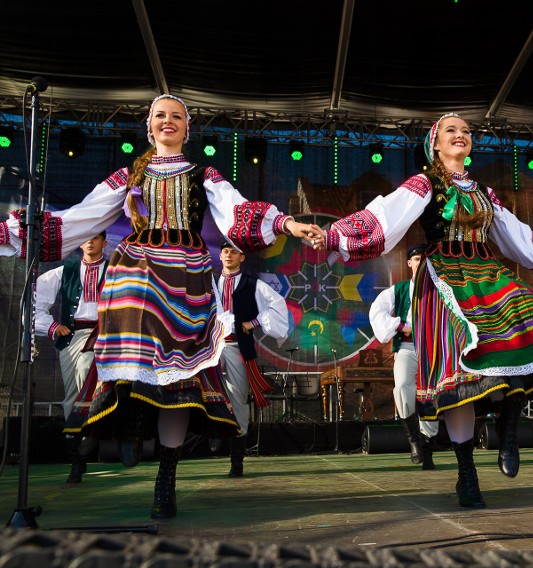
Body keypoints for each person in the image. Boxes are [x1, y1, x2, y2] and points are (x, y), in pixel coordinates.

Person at [0, 94, 322, 519]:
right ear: (148, 127)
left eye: (176, 117)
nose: (167, 122)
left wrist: (287, 223)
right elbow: (84, 214)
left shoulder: (202, 173)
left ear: (187, 129)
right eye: (159, 116)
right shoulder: (129, 175)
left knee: (179, 383)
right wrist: (13, 232)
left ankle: (165, 479)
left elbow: (236, 210)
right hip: (138, 267)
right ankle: (131, 411)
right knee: (135, 304)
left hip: (185, 276)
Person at [314, 113, 533, 508]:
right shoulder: (426, 184)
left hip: (487, 273)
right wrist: (335, 234)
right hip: (444, 277)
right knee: (459, 370)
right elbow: (386, 217)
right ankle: (467, 474)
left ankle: (509, 423)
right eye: (451, 131)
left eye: (467, 132)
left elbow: (520, 238)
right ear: (435, 144)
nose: (461, 136)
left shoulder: (486, 194)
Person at [33, 230, 108, 483]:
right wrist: (53, 327)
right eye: (86, 237)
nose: (90, 241)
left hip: (104, 336)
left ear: (103, 243)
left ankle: (90, 436)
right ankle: (76, 455)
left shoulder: (115, 271)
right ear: (80, 243)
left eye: (96, 237)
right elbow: (34, 305)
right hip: (71, 336)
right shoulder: (63, 272)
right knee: (71, 395)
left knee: (88, 373)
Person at [216, 240, 291, 477]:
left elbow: (277, 304)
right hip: (208, 350)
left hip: (237, 347)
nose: (229, 255)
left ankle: (236, 459)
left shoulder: (252, 284)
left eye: (234, 252)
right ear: (220, 257)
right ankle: (212, 436)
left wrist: (255, 323)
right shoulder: (207, 283)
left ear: (242, 258)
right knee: (203, 394)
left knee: (238, 399)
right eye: (225, 251)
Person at [368, 242, 440, 470]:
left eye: (424, 259)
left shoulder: (441, 289)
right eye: (417, 259)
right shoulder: (397, 290)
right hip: (408, 346)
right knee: (401, 387)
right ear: (409, 263)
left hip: (434, 349)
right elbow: (376, 311)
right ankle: (414, 440)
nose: (420, 263)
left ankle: (427, 446)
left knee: (432, 395)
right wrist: (399, 326)